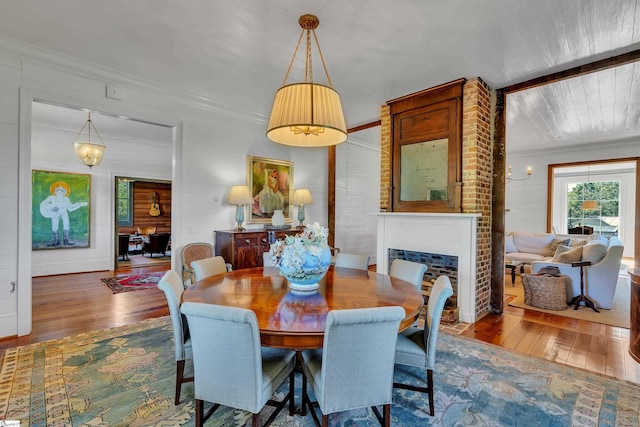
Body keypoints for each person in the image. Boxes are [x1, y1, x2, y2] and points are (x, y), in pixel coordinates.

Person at [39, 181, 88, 247]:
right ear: (55, 192)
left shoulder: (66, 199)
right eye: (58, 191)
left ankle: (66, 241)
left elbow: (70, 209)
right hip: (55, 214)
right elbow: (42, 203)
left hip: (64, 213)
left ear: (64, 192)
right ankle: (56, 241)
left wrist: (79, 205)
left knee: (66, 225)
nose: (59, 192)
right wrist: (51, 208)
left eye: (62, 191)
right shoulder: (51, 198)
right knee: (54, 226)